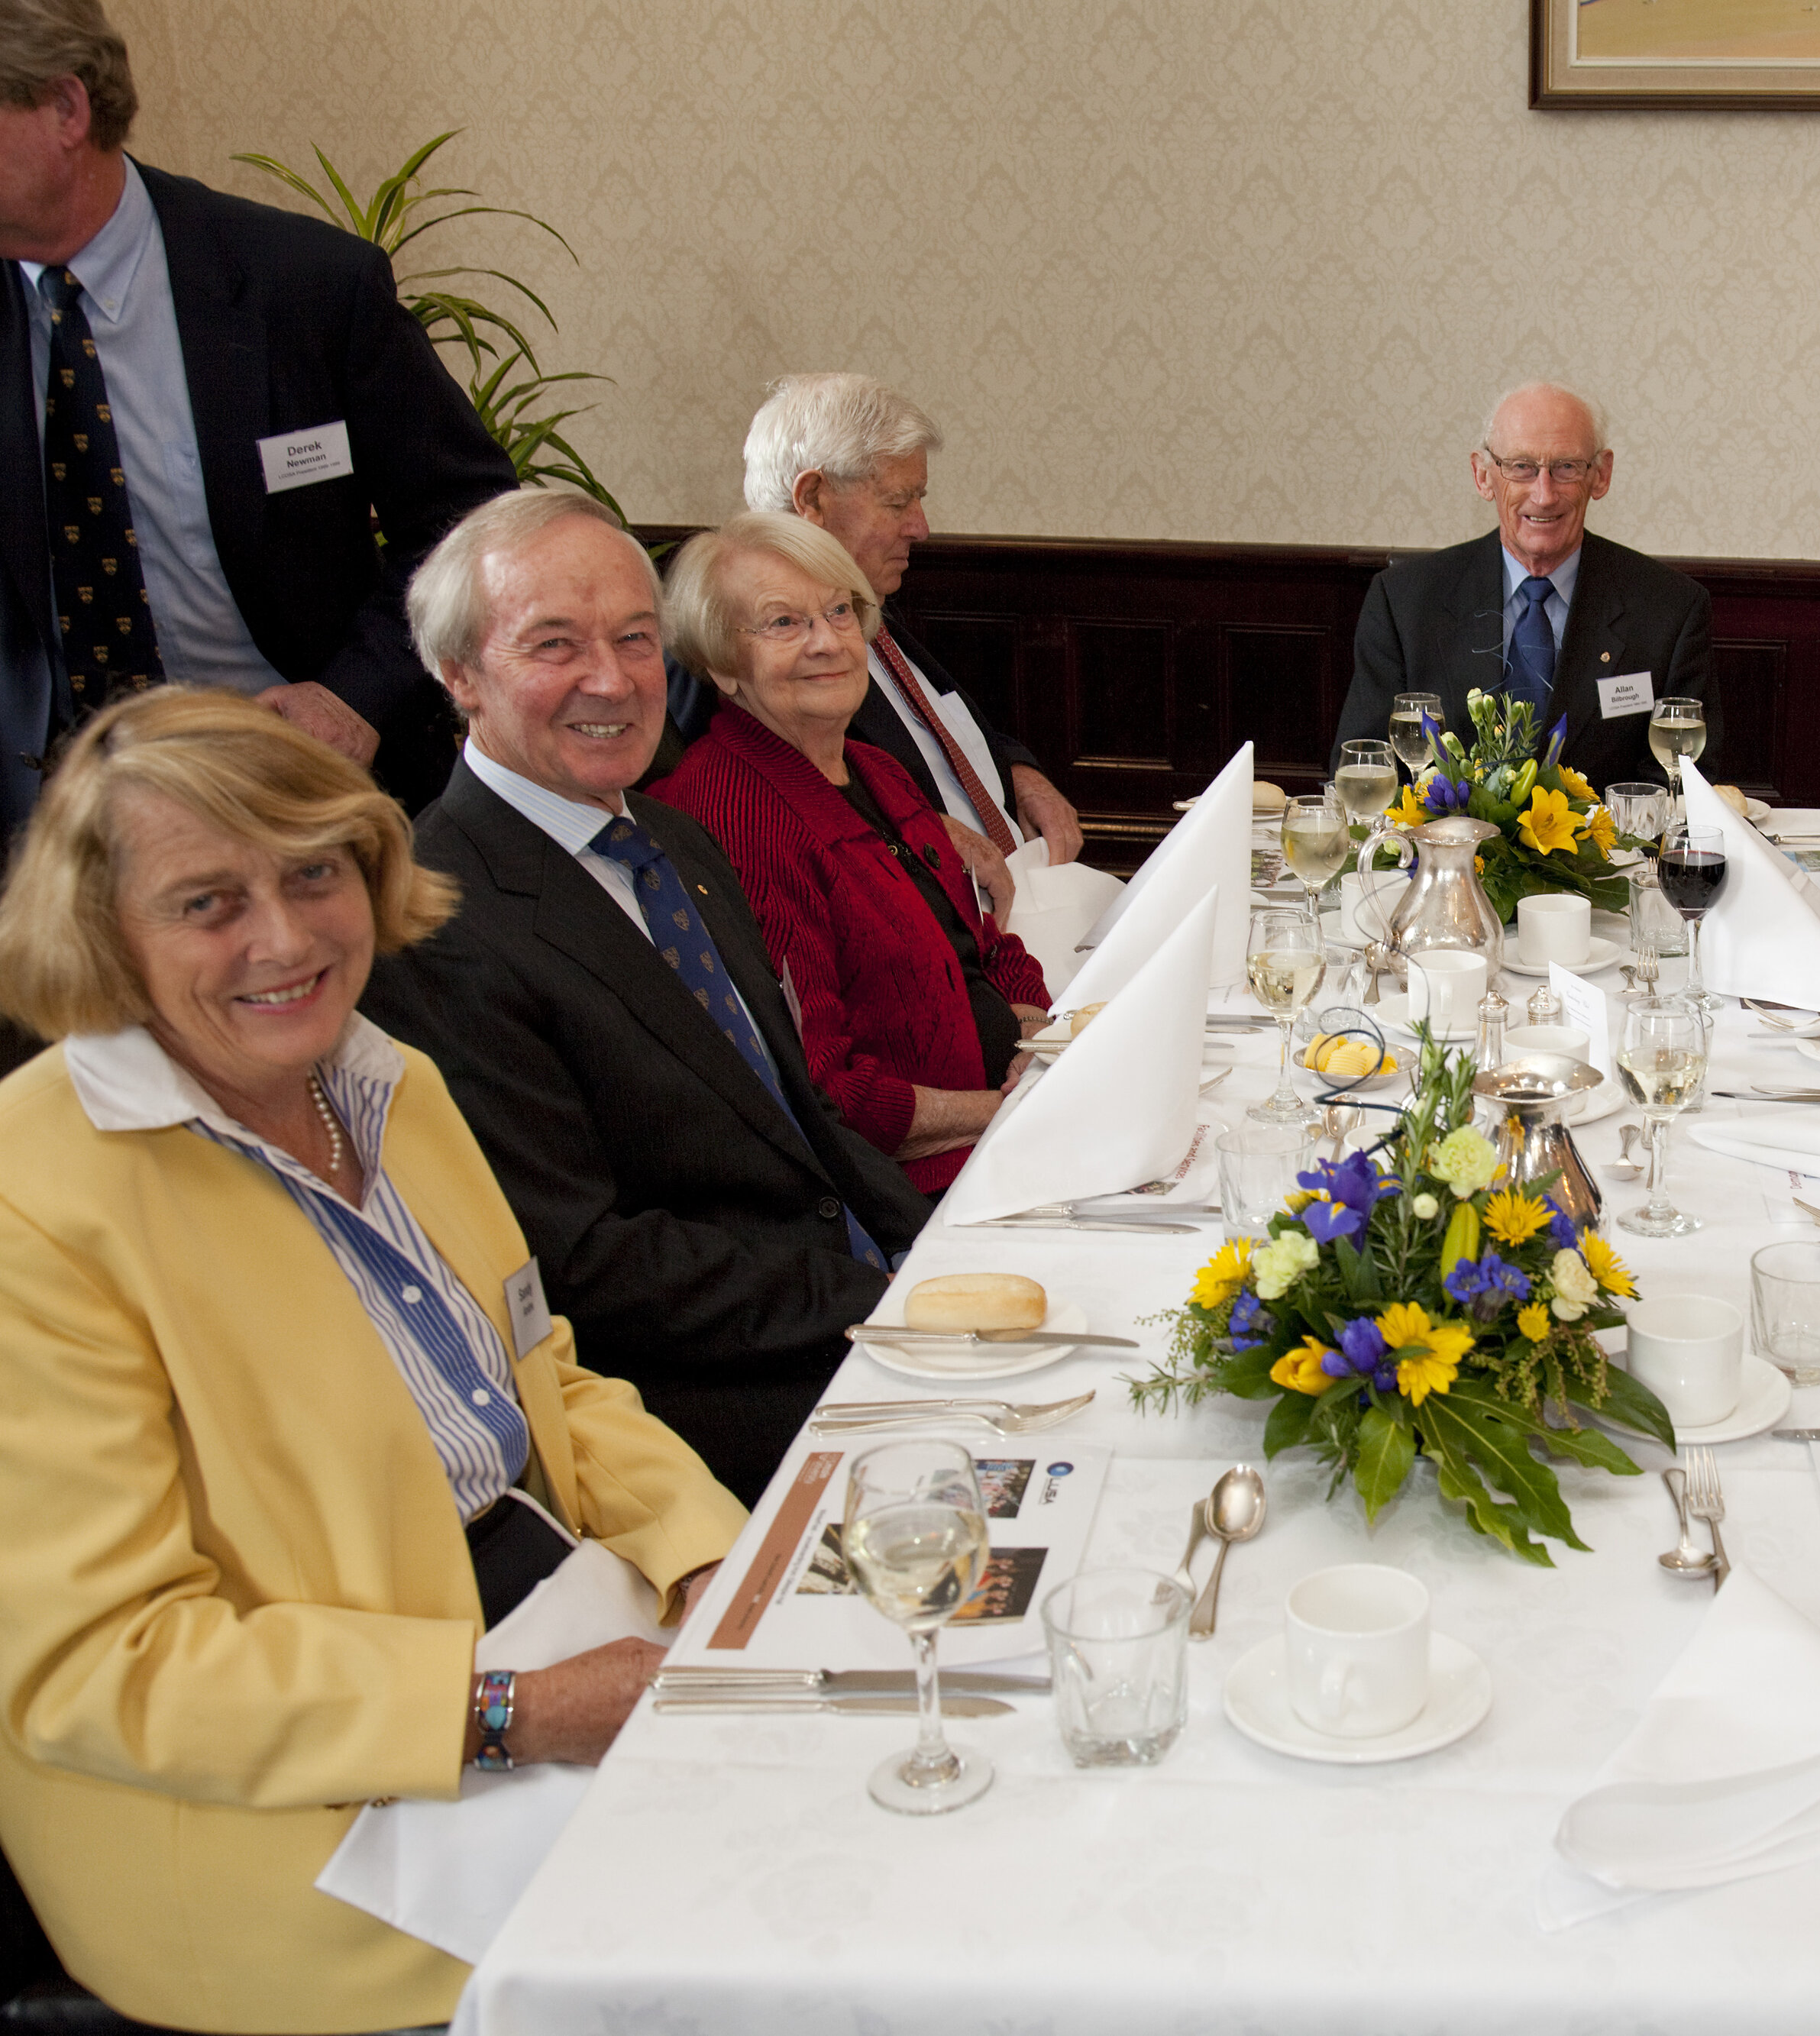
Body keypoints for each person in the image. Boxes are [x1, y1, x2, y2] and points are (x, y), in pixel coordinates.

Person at [0, 688, 744, 2033]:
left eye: (311, 875)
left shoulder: (382, 1077)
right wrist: (512, 1711)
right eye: (206, 903)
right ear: (102, 931)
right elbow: (102, 1666)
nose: (282, 940)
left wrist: (699, 1550)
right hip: (298, 1833)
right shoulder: (32, 1197)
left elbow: (542, 1369)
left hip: (538, 1628)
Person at [356, 489, 929, 1501]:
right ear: (459, 674)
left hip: (852, 1310)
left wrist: (939, 1245)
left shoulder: (673, 844)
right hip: (710, 1406)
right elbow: (580, 1261)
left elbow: (803, 1123)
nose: (612, 680)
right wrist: (881, 1299)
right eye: (554, 645)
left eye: (632, 638)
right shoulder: (435, 919)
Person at [0, 0, 516, 832]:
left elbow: (473, 520)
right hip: (53, 819)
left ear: (66, 109)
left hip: (296, 784)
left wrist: (354, 694)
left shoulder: (303, 286)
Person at [656, 512, 1049, 1194]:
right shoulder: (732, 811)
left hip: (1002, 1124)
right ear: (721, 661)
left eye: (839, 611)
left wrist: (1039, 1044)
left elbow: (985, 947)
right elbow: (822, 1088)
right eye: (783, 623)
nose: (827, 642)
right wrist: (1011, 1112)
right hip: (913, 1188)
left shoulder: (874, 768)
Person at [741, 370, 1082, 886]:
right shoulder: (746, 649)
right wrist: (912, 831)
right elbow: (765, 816)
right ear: (811, 499)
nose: (920, 527)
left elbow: (947, 726)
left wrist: (1020, 774)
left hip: (1026, 897)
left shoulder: (871, 608)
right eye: (898, 503)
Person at [1335, 381, 1715, 793]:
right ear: (1483, 476)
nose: (1544, 493)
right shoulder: (1404, 602)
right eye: (1521, 467)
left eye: (1566, 467)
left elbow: (1685, 784)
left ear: (1600, 475)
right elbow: (1366, 768)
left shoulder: (1670, 609)